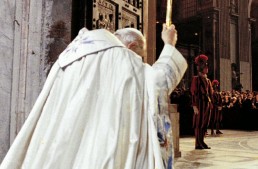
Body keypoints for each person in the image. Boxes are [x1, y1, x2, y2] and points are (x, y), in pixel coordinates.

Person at [0, 24, 187, 169]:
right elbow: (158, 82)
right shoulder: (124, 60)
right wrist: (169, 44)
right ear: (131, 46)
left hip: (62, 146)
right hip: (106, 148)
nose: (140, 62)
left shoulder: (72, 55)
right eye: (140, 56)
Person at [191, 54, 213, 149]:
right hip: (199, 104)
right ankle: (198, 143)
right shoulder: (196, 79)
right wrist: (194, 105)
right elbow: (193, 92)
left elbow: (210, 93)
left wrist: (211, 103)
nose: (207, 69)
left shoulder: (207, 80)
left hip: (206, 104)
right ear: (201, 68)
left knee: (204, 124)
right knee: (198, 124)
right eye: (205, 67)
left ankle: (202, 141)